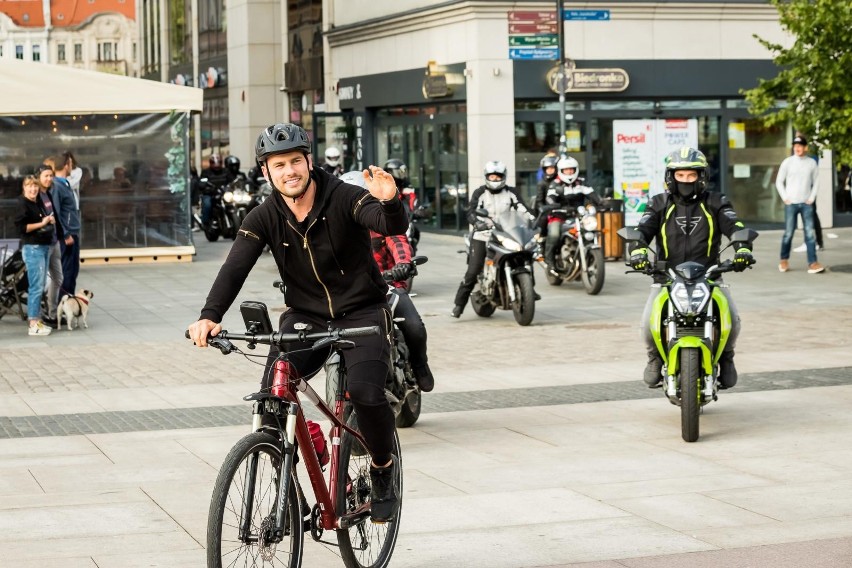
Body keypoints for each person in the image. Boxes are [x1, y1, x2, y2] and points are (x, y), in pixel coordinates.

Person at [187, 123, 408, 523]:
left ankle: (381, 469)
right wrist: (209, 316)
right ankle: (305, 455)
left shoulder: (344, 196)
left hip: (362, 313)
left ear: (309, 161)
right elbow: (234, 267)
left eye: (294, 161)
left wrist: (390, 201)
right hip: (305, 317)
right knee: (273, 396)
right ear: (267, 172)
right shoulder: (265, 215)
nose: (289, 171)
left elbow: (388, 224)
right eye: (278, 165)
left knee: (365, 393)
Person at [628, 147, 754, 389]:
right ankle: (654, 357)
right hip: (667, 276)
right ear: (670, 177)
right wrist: (638, 252)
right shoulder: (658, 203)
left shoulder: (717, 202)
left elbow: (734, 224)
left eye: (691, 175)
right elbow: (642, 231)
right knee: (647, 322)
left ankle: (727, 357)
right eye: (680, 175)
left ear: (702, 176)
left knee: (732, 318)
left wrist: (743, 249)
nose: (686, 181)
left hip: (709, 275)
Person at [338, 170, 434, 392]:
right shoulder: (334, 229)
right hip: (348, 294)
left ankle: (420, 366)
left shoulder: (379, 220)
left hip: (386, 286)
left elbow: (398, 240)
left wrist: (402, 264)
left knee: (415, 326)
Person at [451, 160, 531, 318]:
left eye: (498, 176)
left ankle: (529, 291)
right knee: (473, 271)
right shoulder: (480, 192)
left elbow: (523, 209)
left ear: (504, 177)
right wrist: (477, 222)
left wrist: (532, 220)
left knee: (525, 255)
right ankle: (459, 305)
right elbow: (471, 212)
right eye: (492, 176)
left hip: (505, 233)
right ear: (487, 177)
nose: (495, 179)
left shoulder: (511, 192)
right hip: (483, 235)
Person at [539, 155, 603, 268]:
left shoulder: (581, 182)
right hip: (559, 215)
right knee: (554, 233)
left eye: (571, 169)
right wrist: (554, 205)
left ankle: (588, 255)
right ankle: (549, 260)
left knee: (590, 230)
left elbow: (592, 194)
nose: (569, 172)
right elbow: (550, 197)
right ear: (561, 171)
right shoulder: (555, 183)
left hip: (579, 215)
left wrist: (601, 203)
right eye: (566, 170)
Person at [776, 135, 824, 274]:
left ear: (805, 147)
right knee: (788, 233)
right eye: (795, 146)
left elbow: (817, 181)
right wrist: (785, 197)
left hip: (806, 204)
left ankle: (813, 263)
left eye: (800, 146)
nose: (797, 148)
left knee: (809, 234)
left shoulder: (811, 163)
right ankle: (783, 260)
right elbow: (779, 181)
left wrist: (812, 197)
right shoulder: (787, 162)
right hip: (791, 203)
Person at [13, 175, 54, 336]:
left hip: (43, 246)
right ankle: (33, 323)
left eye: (35, 186)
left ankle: (36, 320)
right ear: (24, 188)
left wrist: (48, 221)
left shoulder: (36, 201)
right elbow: (21, 228)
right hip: (33, 248)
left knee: (41, 284)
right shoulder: (23, 203)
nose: (33, 189)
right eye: (29, 186)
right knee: (36, 287)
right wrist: (42, 223)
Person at [44, 155, 81, 298]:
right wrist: (65, 234)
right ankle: (62, 304)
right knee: (66, 270)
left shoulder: (64, 184)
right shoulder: (57, 186)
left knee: (72, 270)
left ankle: (68, 301)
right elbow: (56, 212)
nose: (72, 167)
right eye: (71, 164)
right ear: (67, 165)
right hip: (67, 235)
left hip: (72, 232)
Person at [33, 164, 64, 327]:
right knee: (38, 282)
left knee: (58, 278)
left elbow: (55, 216)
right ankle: (37, 317)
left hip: (54, 241)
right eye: (46, 175)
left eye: (51, 175)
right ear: (38, 177)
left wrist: (60, 235)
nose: (49, 179)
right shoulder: (36, 195)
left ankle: (52, 313)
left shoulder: (48, 194)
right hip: (42, 243)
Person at [199, 153, 234, 227]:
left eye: (219, 163)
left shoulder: (226, 171)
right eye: (214, 163)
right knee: (207, 204)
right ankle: (205, 222)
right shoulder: (206, 172)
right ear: (210, 163)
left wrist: (234, 184)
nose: (216, 165)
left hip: (223, 193)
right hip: (210, 193)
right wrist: (205, 186)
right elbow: (202, 182)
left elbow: (232, 180)